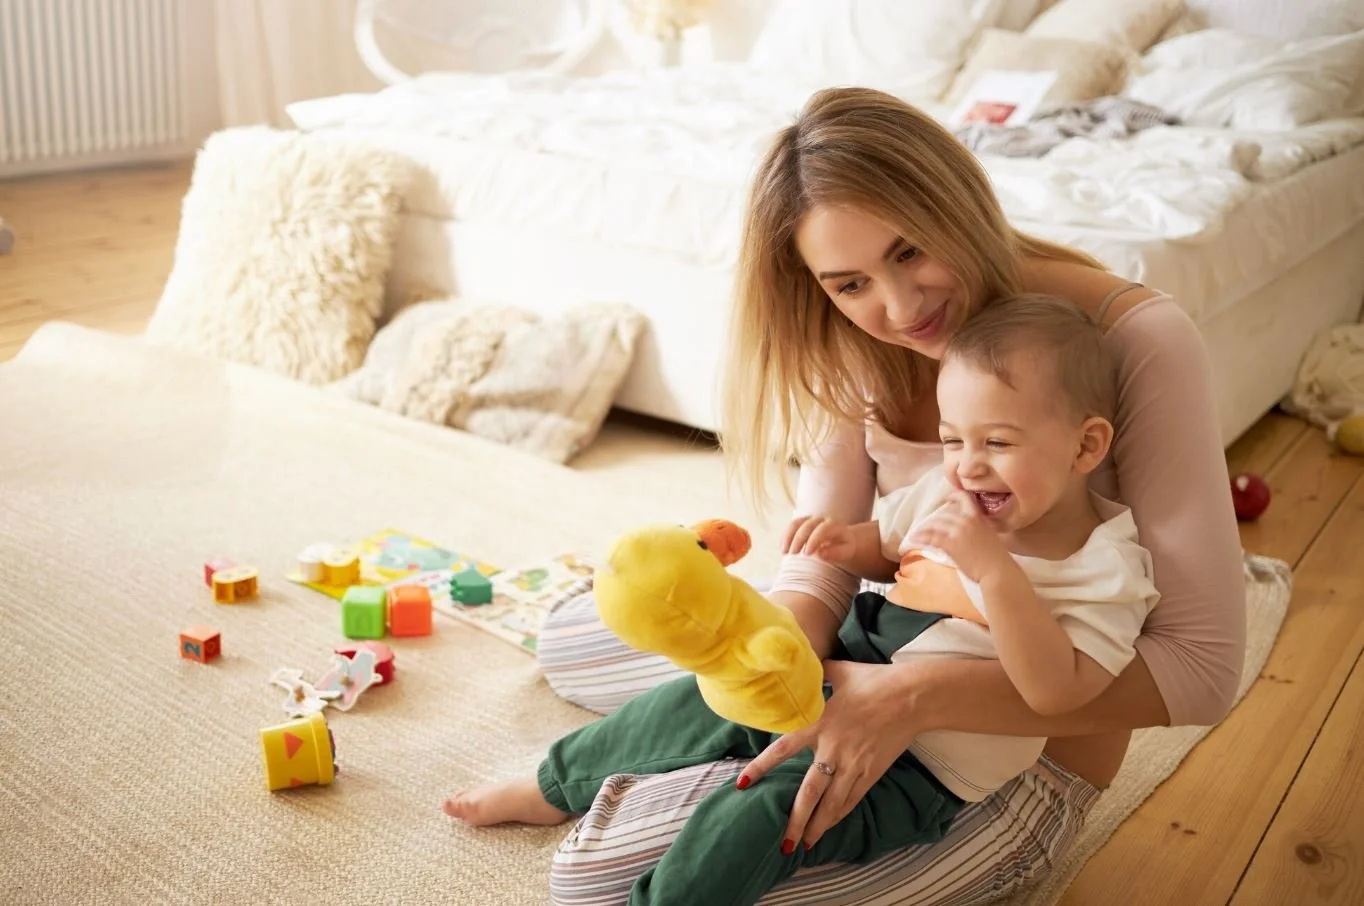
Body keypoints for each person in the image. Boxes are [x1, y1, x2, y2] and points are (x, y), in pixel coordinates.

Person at [532, 86, 1246, 906]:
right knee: (571, 639)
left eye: (911, 252)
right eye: (849, 283)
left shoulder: (1130, 341)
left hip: (993, 762)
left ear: (957, 202)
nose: (900, 309)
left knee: (590, 880)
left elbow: (1202, 671)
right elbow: (828, 559)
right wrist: (786, 661)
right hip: (867, 651)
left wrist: (906, 698)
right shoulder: (856, 334)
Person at [443, 296, 1160, 906]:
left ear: (1086, 446)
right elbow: (893, 545)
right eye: (952, 441)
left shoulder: (1106, 568)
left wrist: (997, 575)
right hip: (831, 670)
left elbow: (1059, 691)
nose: (969, 465)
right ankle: (554, 783)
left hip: (918, 768)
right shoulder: (951, 490)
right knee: (696, 698)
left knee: (762, 814)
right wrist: (850, 546)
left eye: (998, 443)